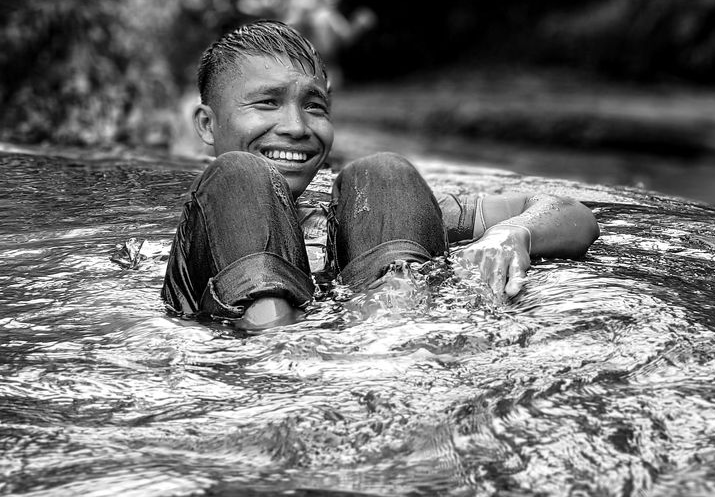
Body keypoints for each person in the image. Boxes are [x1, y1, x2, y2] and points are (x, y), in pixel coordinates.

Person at [162, 20, 600, 329]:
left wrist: (512, 235)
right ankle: (274, 335)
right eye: (266, 103)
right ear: (206, 124)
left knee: (383, 172)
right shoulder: (194, 236)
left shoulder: (374, 209)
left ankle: (392, 336)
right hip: (262, 374)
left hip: (370, 369)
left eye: (314, 106)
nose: (297, 127)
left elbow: (570, 213)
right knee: (239, 177)